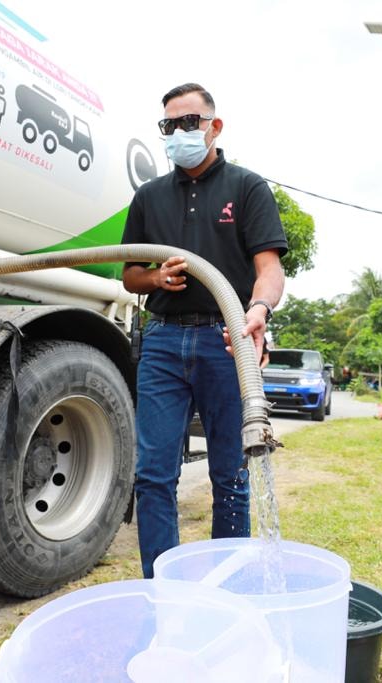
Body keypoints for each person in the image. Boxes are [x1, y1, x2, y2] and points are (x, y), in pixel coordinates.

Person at [121, 83, 287, 578]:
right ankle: (161, 588)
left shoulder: (247, 188)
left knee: (231, 476)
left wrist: (257, 310)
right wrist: (156, 278)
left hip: (226, 338)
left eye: (189, 122)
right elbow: (129, 274)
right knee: (152, 476)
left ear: (215, 126)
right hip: (165, 341)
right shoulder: (149, 197)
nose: (179, 133)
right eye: (169, 126)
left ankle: (225, 591)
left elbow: (270, 269)